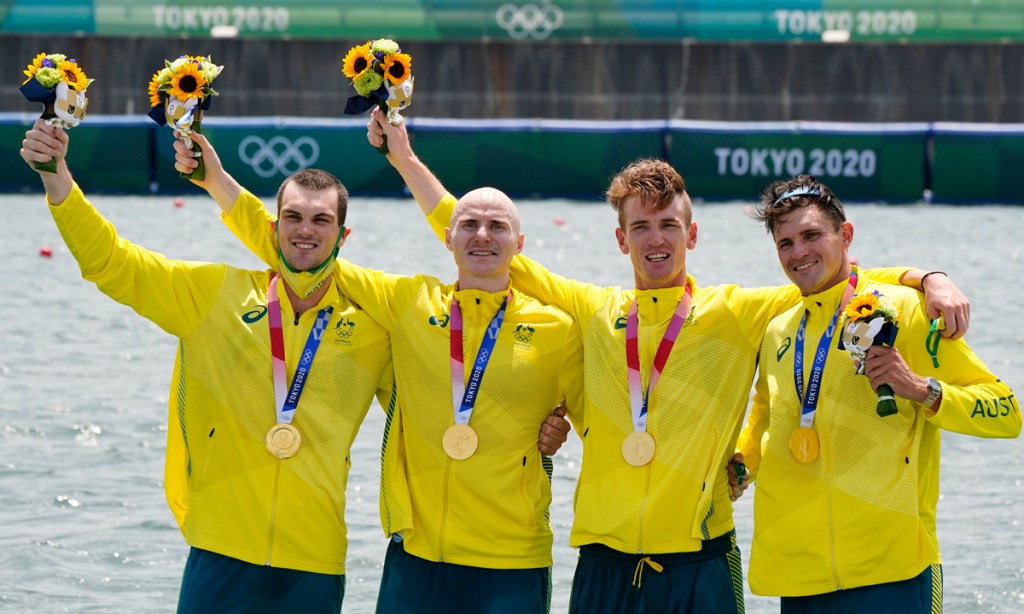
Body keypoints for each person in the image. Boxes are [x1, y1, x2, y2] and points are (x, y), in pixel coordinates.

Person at [364, 108, 971, 613]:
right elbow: (478, 242)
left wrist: (926, 277)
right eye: (642, 227)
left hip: (701, 566)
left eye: (669, 226)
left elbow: (827, 277)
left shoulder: (736, 311)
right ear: (621, 239)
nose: (657, 240)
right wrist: (405, 160)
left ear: (693, 234)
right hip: (603, 564)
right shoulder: (592, 309)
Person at [173, 132, 582, 613]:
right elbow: (304, 251)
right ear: (447, 235)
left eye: (498, 226)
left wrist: (559, 426)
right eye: (468, 224)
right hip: (416, 556)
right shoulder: (408, 303)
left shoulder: (560, 327)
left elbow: (602, 413)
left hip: (513, 559)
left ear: (521, 243)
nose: (483, 236)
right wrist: (216, 182)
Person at [19, 119, 395, 612]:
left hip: (316, 561)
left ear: (342, 235)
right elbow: (112, 263)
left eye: (320, 220)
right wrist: (56, 177)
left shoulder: (374, 327)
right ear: (274, 225)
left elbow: (434, 402)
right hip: (220, 550)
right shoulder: (215, 295)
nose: (305, 230)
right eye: (293, 217)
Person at [732, 176, 1020, 613]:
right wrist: (738, 467)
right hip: (800, 577)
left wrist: (924, 391)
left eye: (811, 235)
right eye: (785, 243)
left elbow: (1006, 411)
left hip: (894, 571)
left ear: (845, 234)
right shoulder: (778, 330)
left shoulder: (905, 309)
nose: (798, 252)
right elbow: (767, 420)